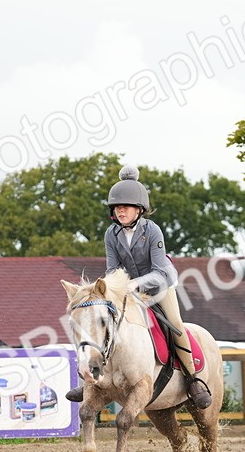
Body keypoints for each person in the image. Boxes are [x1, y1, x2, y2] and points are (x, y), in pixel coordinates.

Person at [66, 165, 213, 409]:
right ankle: (93, 381)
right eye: (116, 207)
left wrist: (133, 283)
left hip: (159, 287)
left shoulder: (153, 230)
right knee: (109, 324)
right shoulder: (111, 234)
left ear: (139, 209)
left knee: (175, 325)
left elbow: (159, 271)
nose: (120, 210)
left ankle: (193, 380)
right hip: (128, 291)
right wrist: (114, 289)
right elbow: (113, 271)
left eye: (125, 206)